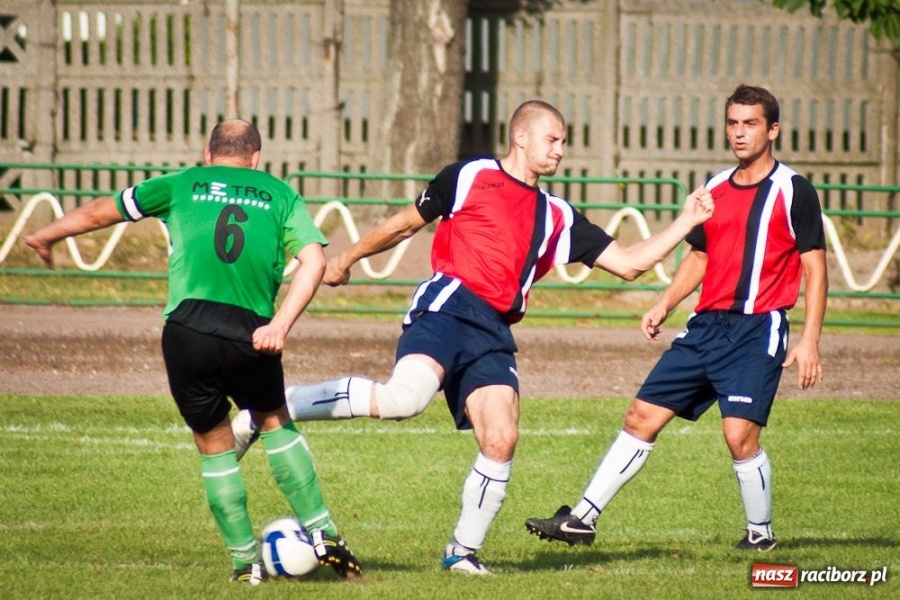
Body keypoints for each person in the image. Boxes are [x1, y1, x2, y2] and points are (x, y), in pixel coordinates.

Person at [232, 100, 715, 574]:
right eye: (553, 139)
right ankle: (274, 406)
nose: (560, 151)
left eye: (564, 142)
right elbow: (404, 224)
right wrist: (346, 257)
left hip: (493, 330)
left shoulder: (558, 215)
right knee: (404, 400)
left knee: (501, 438)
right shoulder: (467, 176)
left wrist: (685, 222)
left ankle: (461, 553)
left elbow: (630, 263)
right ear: (521, 136)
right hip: (448, 304)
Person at [25, 119, 362, 584]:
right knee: (272, 422)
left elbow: (102, 212)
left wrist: (48, 235)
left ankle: (246, 566)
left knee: (214, 447)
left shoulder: (181, 184)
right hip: (251, 331)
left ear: (208, 154)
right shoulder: (280, 193)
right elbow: (315, 260)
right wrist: (279, 325)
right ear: (256, 158)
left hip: (187, 331)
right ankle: (324, 534)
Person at [524, 84, 828, 552]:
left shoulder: (794, 191)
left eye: (750, 124)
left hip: (757, 328)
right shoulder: (715, 188)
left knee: (738, 436)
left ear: (773, 130)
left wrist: (808, 340)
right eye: (732, 123)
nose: (739, 133)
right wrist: (665, 303)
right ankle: (582, 519)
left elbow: (814, 266)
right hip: (705, 328)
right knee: (640, 415)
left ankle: (760, 536)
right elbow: (699, 256)